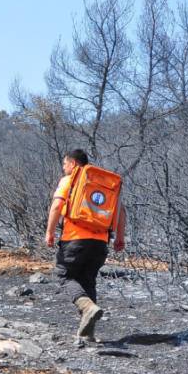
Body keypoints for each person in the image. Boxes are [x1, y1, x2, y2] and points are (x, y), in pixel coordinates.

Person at [44, 149, 126, 347]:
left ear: (72, 164)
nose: (63, 168)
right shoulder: (106, 184)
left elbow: (56, 206)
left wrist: (50, 232)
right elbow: (121, 212)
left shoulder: (70, 180)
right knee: (88, 281)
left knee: (65, 277)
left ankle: (87, 307)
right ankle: (87, 334)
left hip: (75, 239)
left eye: (64, 164)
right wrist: (120, 239)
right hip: (100, 243)